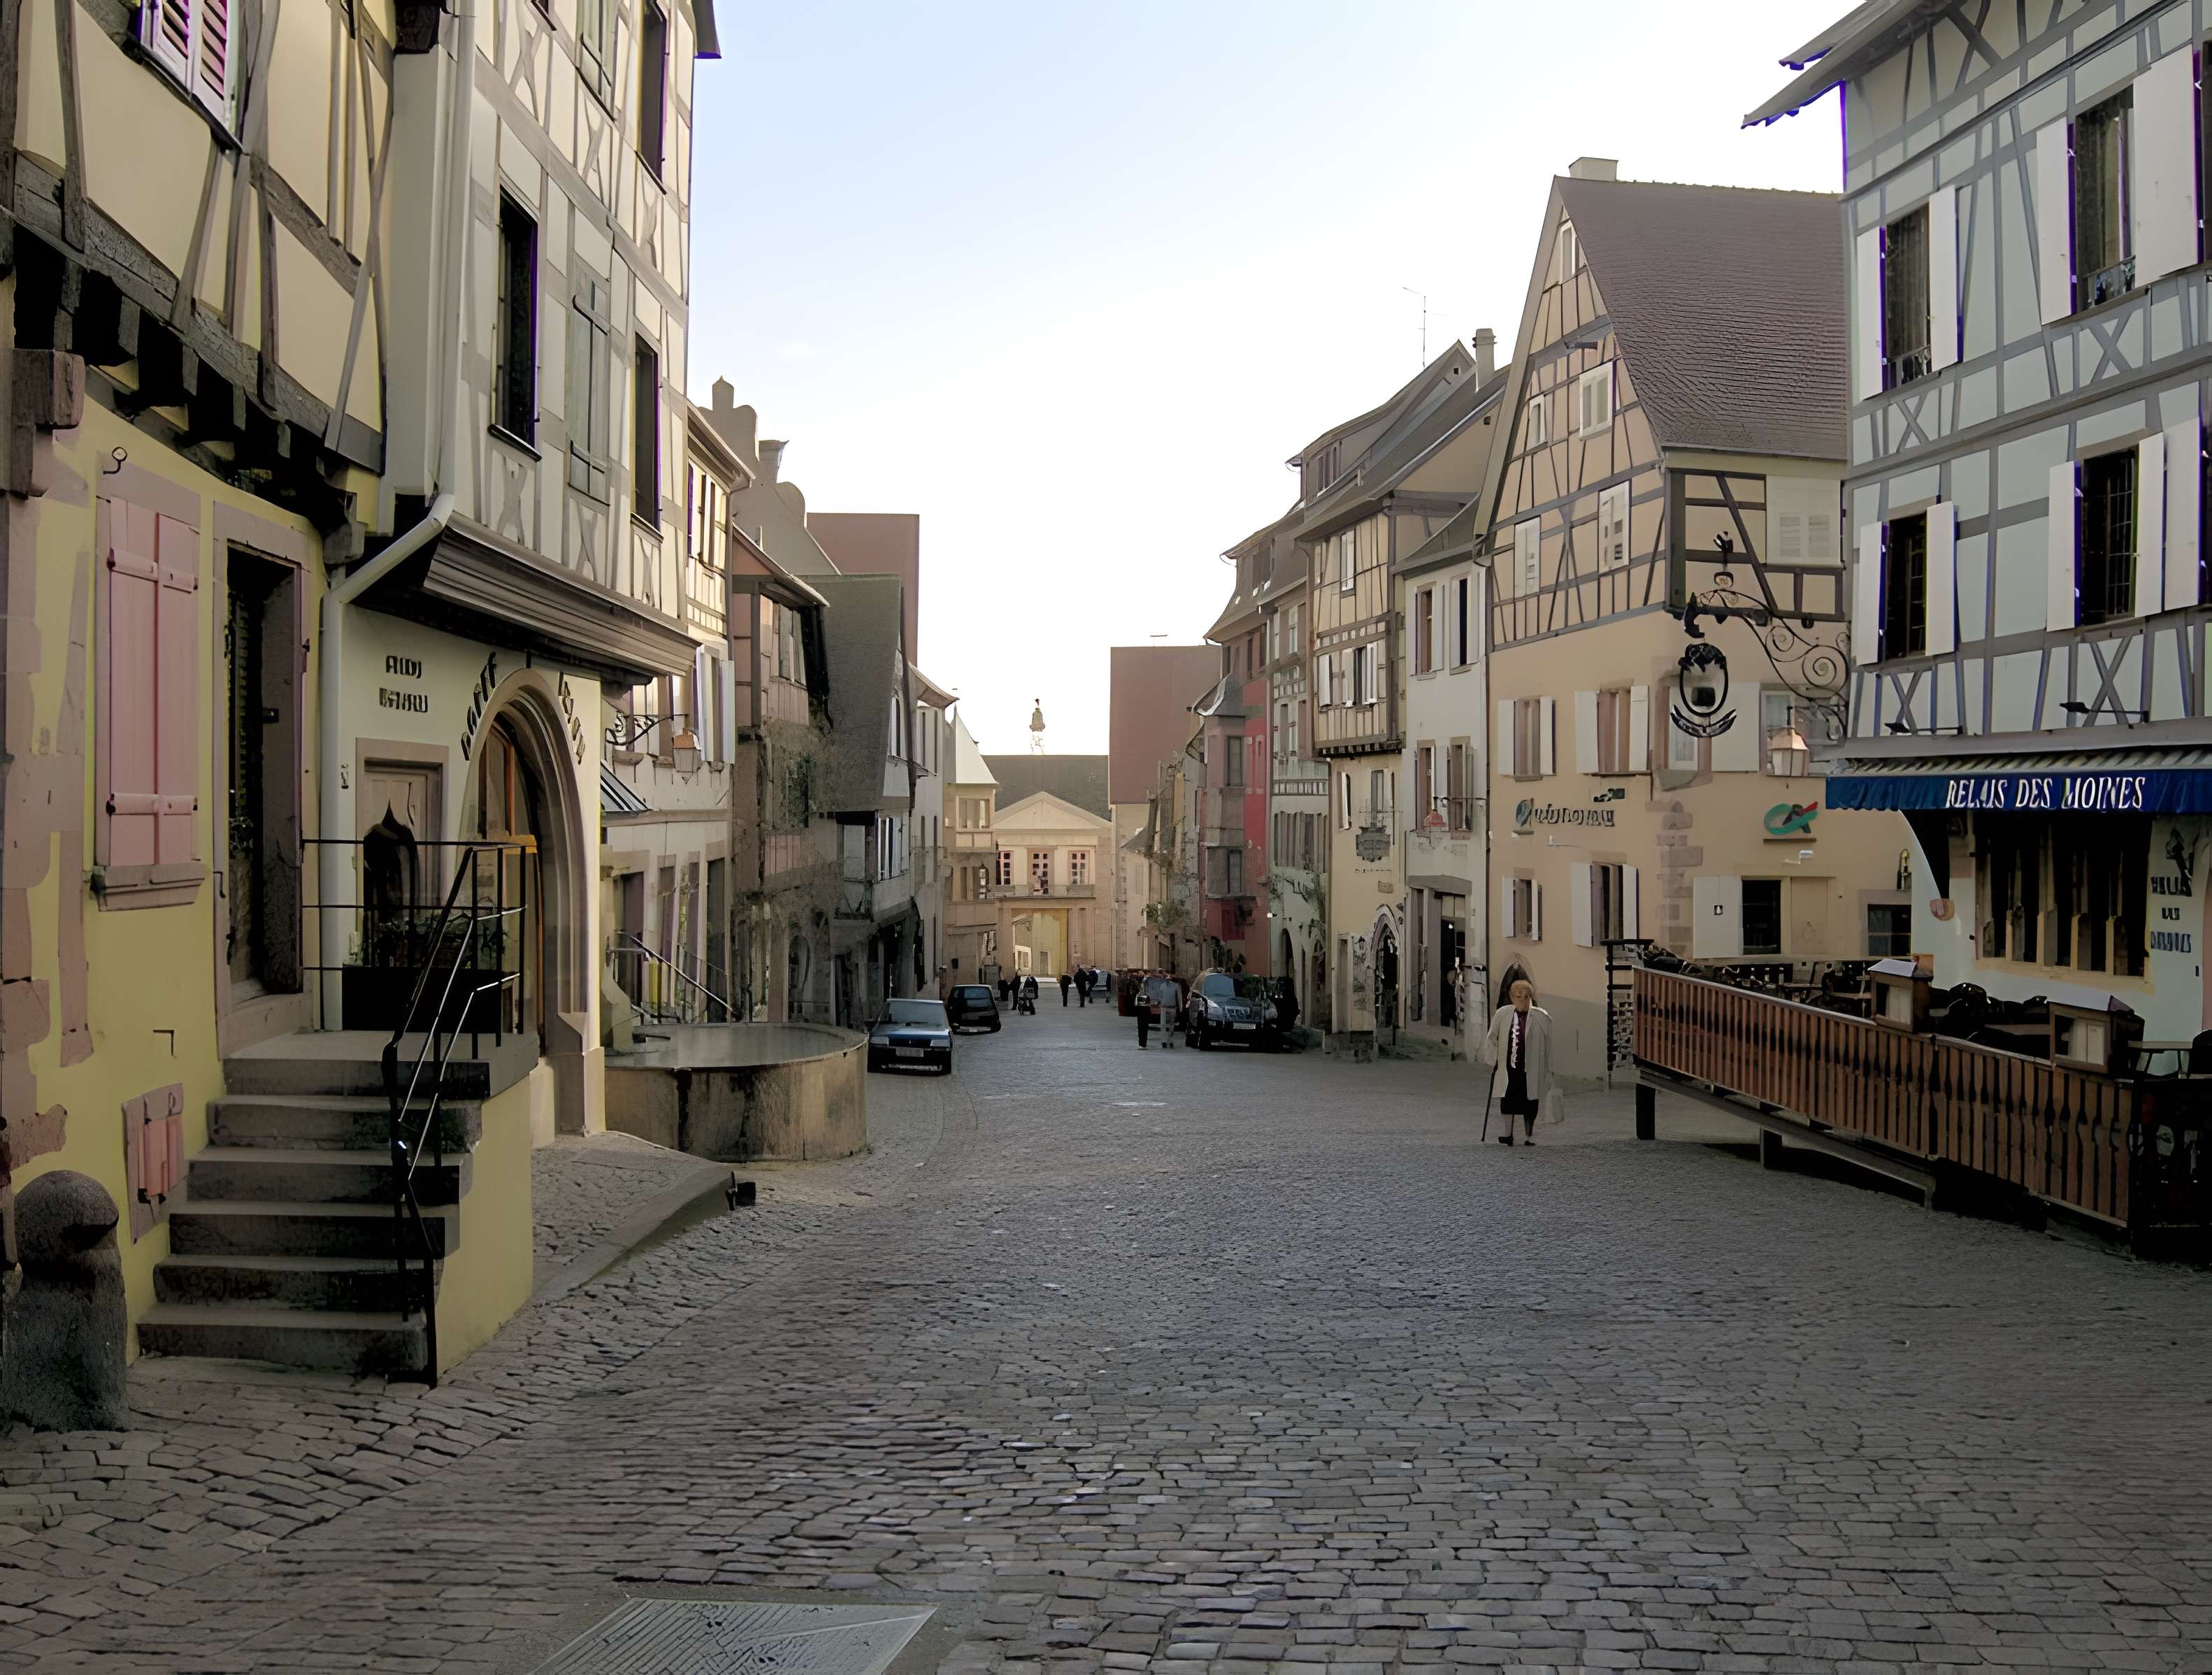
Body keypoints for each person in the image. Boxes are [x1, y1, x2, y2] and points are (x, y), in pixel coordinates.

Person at [1483, 979, 1556, 1146]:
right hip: (1509, 1065)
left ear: (1531, 997)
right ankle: (1508, 1134)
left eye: (1526, 997)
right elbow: (1491, 1037)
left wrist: (1549, 1067)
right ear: (1512, 998)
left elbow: (1549, 1044)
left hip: (1531, 1066)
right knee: (1508, 1099)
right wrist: (1493, 1060)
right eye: (1519, 997)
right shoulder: (1503, 1014)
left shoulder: (1542, 1017)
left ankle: (1529, 1136)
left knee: (1531, 1100)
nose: (1523, 1000)